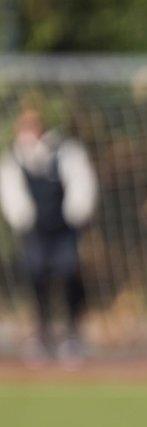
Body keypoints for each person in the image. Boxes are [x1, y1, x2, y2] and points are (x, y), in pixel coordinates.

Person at [0, 106, 98, 364]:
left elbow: (81, 183)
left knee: (68, 275)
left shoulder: (65, 152)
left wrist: (77, 210)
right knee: (36, 278)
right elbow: (11, 192)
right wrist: (22, 216)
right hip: (35, 230)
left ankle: (72, 335)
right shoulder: (16, 158)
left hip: (64, 227)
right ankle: (41, 335)